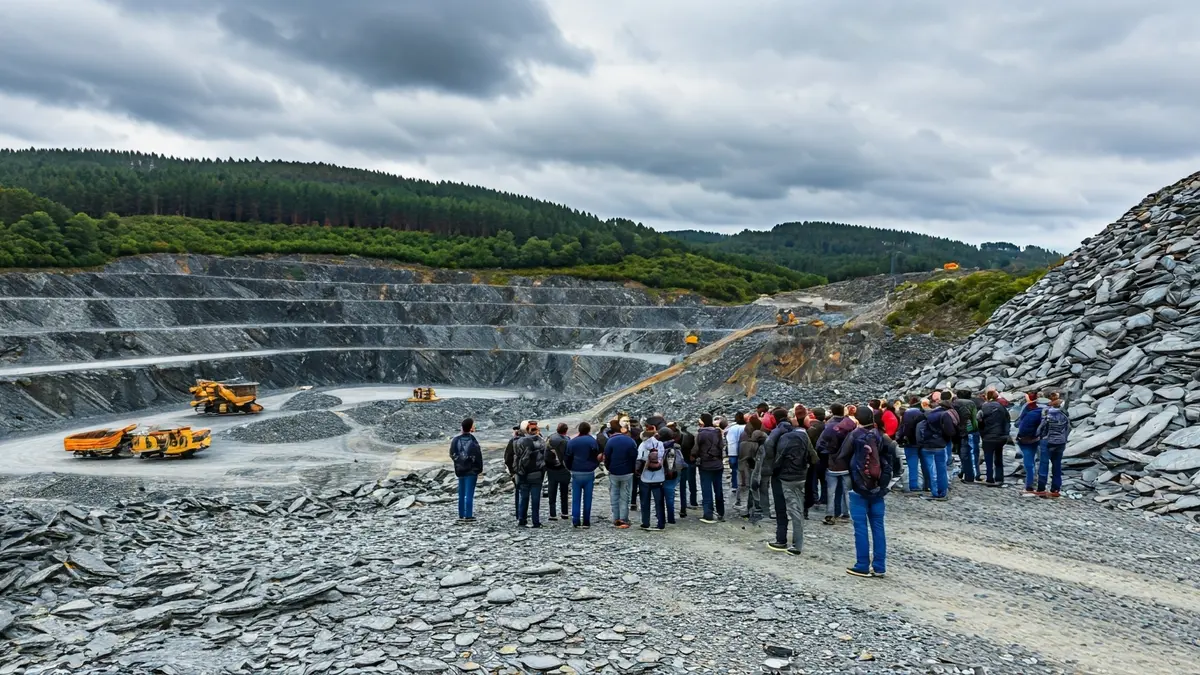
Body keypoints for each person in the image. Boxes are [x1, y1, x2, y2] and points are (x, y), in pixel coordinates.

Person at [839, 407, 897, 577]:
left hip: (859, 488)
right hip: (879, 488)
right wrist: (886, 486)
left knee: (861, 527)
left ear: (857, 420)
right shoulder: (882, 436)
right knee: (878, 528)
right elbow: (895, 460)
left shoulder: (855, 435)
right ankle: (879, 567)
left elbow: (843, 455)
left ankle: (862, 564)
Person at [770, 412, 819, 554]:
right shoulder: (804, 435)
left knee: (791, 510)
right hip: (801, 477)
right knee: (797, 509)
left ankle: (795, 545)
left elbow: (778, 460)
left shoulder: (782, 438)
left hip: (787, 478)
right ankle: (794, 542)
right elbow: (814, 457)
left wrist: (774, 470)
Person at [816, 404, 856, 524]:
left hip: (833, 463)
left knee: (831, 491)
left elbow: (820, 445)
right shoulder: (851, 425)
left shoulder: (829, 427)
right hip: (847, 463)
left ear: (832, 412)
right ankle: (846, 513)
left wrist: (828, 453)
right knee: (847, 490)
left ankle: (830, 514)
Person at [919, 397, 957, 501]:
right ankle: (942, 492)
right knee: (941, 469)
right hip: (939, 445)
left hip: (927, 445)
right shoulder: (945, 415)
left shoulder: (928, 415)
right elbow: (950, 431)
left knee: (932, 470)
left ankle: (934, 491)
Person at [565, 421, 601, 528]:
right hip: (589, 472)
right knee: (588, 498)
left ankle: (576, 520)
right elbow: (597, 456)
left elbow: (567, 457)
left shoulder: (572, 442)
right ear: (589, 430)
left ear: (579, 430)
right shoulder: (592, 441)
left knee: (576, 498)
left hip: (576, 472)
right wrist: (594, 465)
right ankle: (586, 521)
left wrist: (570, 467)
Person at [604, 420, 638, 528]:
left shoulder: (610, 441)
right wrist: (633, 469)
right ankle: (624, 518)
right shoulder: (630, 441)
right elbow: (634, 457)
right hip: (627, 472)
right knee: (625, 496)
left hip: (614, 472)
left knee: (614, 495)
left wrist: (609, 468)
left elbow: (607, 457)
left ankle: (616, 518)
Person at [512, 421, 547, 528]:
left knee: (524, 498)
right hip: (536, 474)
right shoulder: (541, 442)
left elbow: (516, 454)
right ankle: (536, 521)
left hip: (522, 474)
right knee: (535, 500)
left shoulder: (519, 442)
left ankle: (522, 520)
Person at [450, 418, 484, 523]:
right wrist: (479, 469)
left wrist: (458, 463)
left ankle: (461, 514)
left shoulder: (456, 440)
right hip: (471, 471)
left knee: (461, 493)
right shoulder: (473, 440)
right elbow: (478, 455)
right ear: (470, 427)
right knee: (469, 493)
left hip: (460, 470)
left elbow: (452, 453)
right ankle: (468, 515)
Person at [1036, 394, 1070, 498]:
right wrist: (1064, 438)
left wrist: (1039, 436)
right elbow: (1069, 429)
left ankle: (1041, 488)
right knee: (1057, 465)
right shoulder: (1064, 416)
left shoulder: (1047, 415)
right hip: (1060, 443)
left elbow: (1040, 429)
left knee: (1044, 464)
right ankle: (1055, 488)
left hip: (1047, 441)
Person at [695, 413, 726, 523]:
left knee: (706, 489)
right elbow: (722, 446)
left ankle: (708, 514)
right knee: (719, 489)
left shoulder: (701, 434)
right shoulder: (717, 432)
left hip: (705, 465)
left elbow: (696, 449)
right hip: (718, 464)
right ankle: (721, 513)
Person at [977, 390, 1010, 486]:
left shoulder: (983, 407)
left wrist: (982, 432)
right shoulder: (1002, 408)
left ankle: (989, 478)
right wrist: (1005, 434)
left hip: (988, 437)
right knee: (998, 458)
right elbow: (1007, 421)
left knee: (988, 458)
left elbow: (979, 420)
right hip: (1000, 437)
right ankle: (999, 478)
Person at [636, 430, 668, 530]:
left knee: (645, 500)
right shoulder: (660, 444)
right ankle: (661, 523)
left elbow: (640, 459)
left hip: (645, 476)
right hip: (658, 476)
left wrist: (637, 472)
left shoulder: (642, 445)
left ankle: (646, 522)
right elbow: (663, 458)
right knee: (659, 500)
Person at [1015, 392, 1043, 496]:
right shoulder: (1040, 411)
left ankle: (1029, 485)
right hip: (1036, 439)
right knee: (1036, 461)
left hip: (1025, 440)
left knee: (1028, 463)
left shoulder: (1027, 410)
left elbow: (1018, 424)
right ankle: (1036, 482)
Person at [545, 423, 572, 520]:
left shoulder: (550, 438)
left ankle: (552, 514)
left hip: (551, 469)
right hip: (564, 469)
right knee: (564, 492)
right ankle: (564, 512)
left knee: (552, 491)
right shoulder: (567, 440)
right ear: (566, 430)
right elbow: (569, 454)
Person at [738, 415, 764, 516]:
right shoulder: (761, 440)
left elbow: (742, 455)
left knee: (745, 485)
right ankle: (754, 506)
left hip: (746, 466)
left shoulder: (744, 440)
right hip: (754, 467)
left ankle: (747, 508)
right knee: (753, 487)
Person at [952, 389, 979, 483]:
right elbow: (974, 418)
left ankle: (963, 472)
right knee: (966, 453)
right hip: (967, 430)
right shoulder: (971, 403)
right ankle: (969, 476)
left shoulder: (954, 403)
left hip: (955, 430)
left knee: (960, 452)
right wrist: (974, 429)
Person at [899, 396, 926, 493]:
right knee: (926, 464)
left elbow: (903, 429)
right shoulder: (924, 413)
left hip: (910, 442)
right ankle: (927, 485)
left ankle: (913, 486)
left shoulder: (907, 413)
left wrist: (900, 439)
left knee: (912, 465)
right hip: (923, 442)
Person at [658, 426, 683, 524]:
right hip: (674, 474)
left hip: (665, 474)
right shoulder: (676, 446)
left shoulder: (661, 447)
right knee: (670, 497)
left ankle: (662, 517)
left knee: (661, 497)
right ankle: (671, 518)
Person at [804, 407, 826, 513]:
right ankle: (824, 498)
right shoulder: (826, 426)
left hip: (815, 455)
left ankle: (814, 498)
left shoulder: (813, 428)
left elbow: (808, 441)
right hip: (825, 456)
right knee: (823, 478)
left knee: (813, 478)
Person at [676, 422, 698, 516]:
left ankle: (683, 507)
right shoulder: (690, 436)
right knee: (692, 483)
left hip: (681, 462)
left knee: (682, 485)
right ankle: (693, 501)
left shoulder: (679, 437)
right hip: (690, 461)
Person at [503, 424, 524, 518]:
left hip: (517, 471)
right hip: (531, 471)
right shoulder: (534, 440)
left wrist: (512, 471)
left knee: (518, 492)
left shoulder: (513, 441)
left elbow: (507, 458)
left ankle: (519, 513)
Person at [725, 412, 746, 503]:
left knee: (734, 469)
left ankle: (735, 485)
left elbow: (728, 439)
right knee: (743, 469)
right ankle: (743, 484)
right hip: (743, 451)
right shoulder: (746, 428)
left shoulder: (732, 428)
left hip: (733, 451)